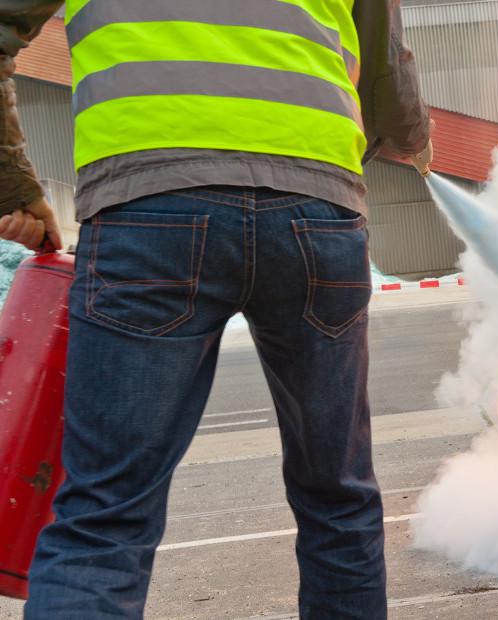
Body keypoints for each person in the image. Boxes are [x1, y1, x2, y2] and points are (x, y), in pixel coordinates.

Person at [0, 1, 434, 618]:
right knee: (338, 496)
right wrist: (413, 138)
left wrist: (12, 184)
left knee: (105, 515)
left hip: (149, 204)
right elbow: (386, 68)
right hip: (315, 211)